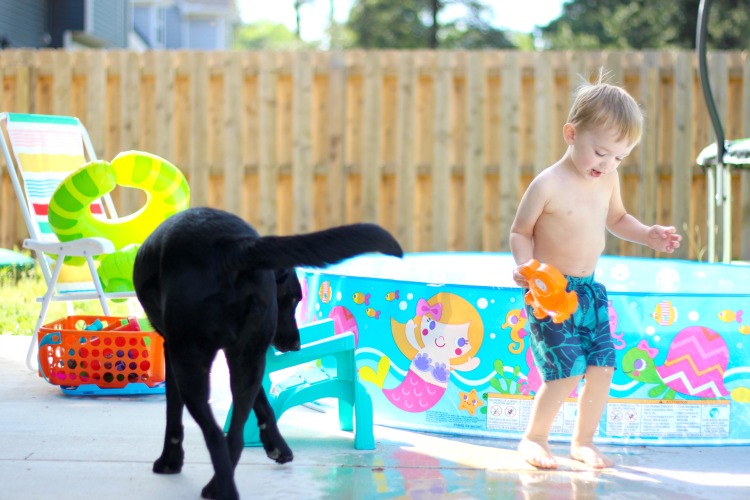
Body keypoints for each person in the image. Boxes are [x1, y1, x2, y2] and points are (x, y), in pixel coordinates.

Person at [509, 72, 681, 470]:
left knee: (602, 367)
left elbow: (618, 219)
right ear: (572, 134)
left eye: (619, 157)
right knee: (565, 372)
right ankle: (534, 438)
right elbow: (520, 231)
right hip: (550, 295)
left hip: (589, 292)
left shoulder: (607, 179)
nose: (608, 164)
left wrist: (648, 235)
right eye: (601, 152)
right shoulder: (547, 184)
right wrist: (524, 267)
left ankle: (582, 442)